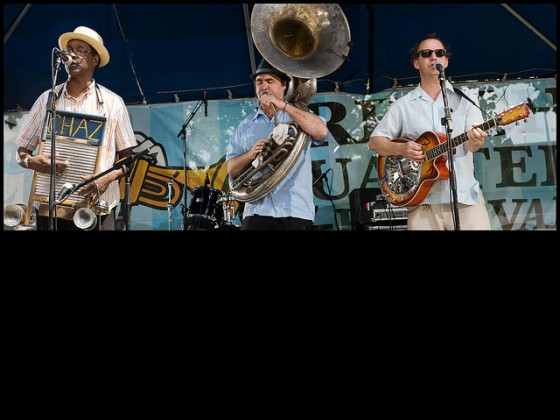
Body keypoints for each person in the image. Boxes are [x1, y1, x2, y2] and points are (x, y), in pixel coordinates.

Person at [16, 26, 137, 230]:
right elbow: (21, 152)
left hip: (98, 207)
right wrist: (31, 162)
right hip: (50, 206)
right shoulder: (48, 100)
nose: (71, 54)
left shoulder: (113, 103)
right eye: (69, 49)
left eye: (80, 49)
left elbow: (128, 158)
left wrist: (106, 179)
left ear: (94, 60)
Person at [368, 33, 492, 230]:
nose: (433, 57)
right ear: (416, 63)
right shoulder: (404, 105)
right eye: (426, 53)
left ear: (446, 61)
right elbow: (374, 142)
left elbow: (471, 145)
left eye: (439, 53)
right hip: (422, 204)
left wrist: (475, 141)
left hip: (465, 200)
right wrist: (401, 150)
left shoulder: (466, 99)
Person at [226, 59, 328, 230]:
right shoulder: (245, 125)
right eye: (259, 82)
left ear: (284, 86)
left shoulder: (298, 115)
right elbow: (231, 169)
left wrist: (284, 106)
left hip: (295, 210)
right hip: (256, 212)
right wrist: (250, 155)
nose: (264, 86)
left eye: (270, 81)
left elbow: (321, 131)